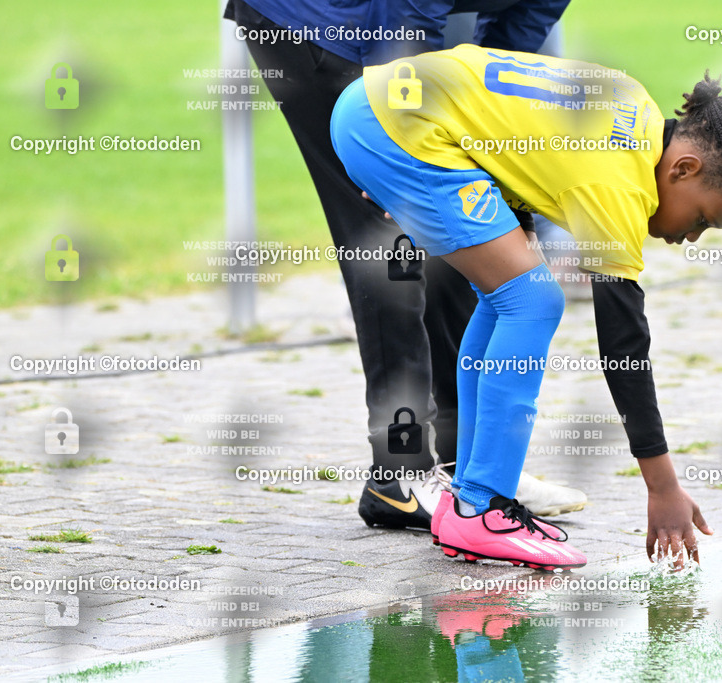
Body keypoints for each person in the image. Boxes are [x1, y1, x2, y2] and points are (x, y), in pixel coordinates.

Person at [332, 45, 722, 569]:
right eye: (703, 218)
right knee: (532, 298)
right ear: (683, 167)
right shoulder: (617, 183)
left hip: (385, 108)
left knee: (505, 296)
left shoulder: (635, 107)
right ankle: (480, 507)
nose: (692, 237)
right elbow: (624, 347)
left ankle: (470, 497)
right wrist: (663, 487)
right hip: (400, 126)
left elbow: (514, 129)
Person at [224, 0, 588, 531]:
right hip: (317, 23)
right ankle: (398, 474)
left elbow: (514, 32)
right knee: (389, 246)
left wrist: (477, 121)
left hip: (390, 26)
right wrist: (395, 121)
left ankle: (469, 467)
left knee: (465, 234)